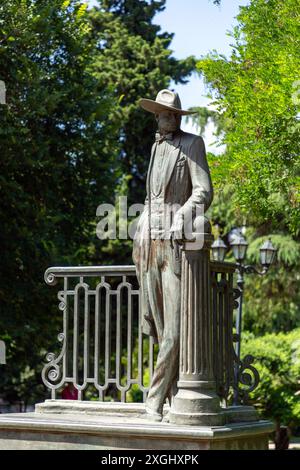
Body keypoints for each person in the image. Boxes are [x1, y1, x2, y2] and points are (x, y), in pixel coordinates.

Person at [133, 89, 213, 421]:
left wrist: (183, 214)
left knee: (177, 328)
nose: (158, 117)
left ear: (176, 116)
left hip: (175, 241)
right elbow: (151, 196)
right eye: (156, 113)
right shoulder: (155, 146)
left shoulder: (192, 144)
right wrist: (139, 225)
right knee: (157, 323)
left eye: (163, 113)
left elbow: (204, 190)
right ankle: (170, 395)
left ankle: (153, 399)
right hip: (147, 241)